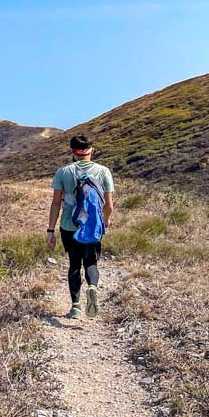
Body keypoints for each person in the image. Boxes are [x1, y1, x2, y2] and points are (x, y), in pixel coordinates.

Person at [47, 134, 115, 320]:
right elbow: (109, 204)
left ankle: (76, 307)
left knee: (74, 264)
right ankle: (92, 288)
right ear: (91, 150)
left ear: (72, 151)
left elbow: (55, 203)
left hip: (70, 225)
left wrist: (51, 230)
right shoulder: (103, 172)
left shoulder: (63, 172)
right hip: (92, 225)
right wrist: (105, 220)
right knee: (91, 261)